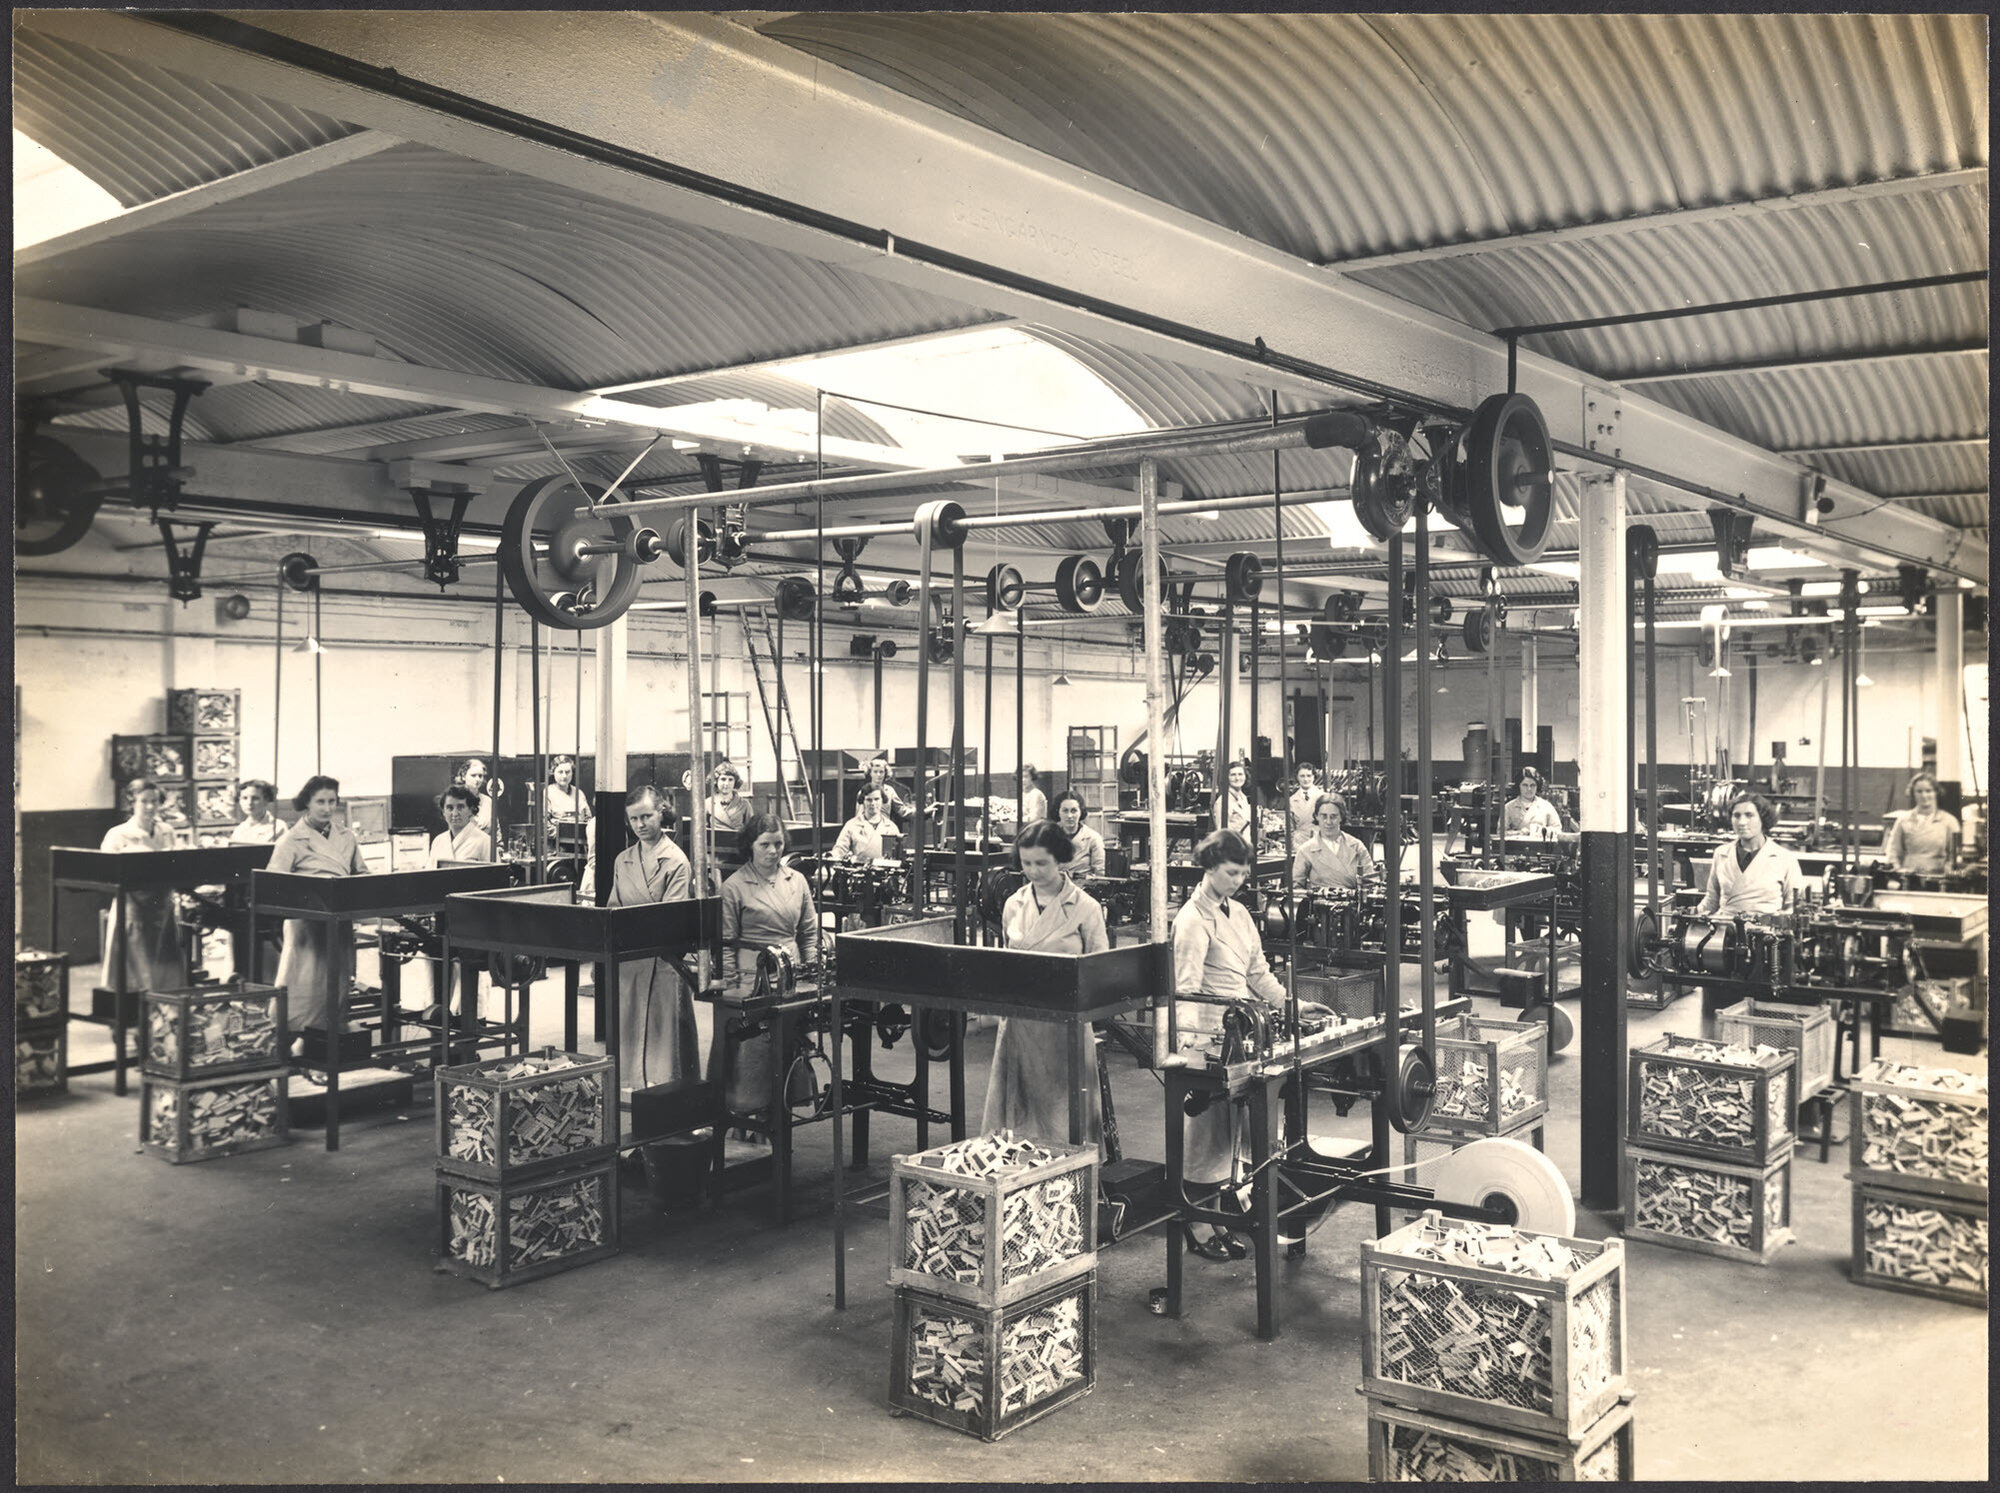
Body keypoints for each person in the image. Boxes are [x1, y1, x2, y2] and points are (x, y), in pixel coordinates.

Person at [1171, 829, 1287, 1260]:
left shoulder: (1238, 913)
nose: (1239, 880)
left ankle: (1220, 1219)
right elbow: (1183, 989)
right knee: (1206, 1138)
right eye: (1231, 872)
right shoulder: (1191, 920)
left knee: (1230, 1138)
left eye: (1242, 872)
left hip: (1241, 1035)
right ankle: (1197, 1226)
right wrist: (1191, 1053)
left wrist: (1290, 1003)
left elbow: (1256, 972)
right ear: (1209, 869)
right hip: (1208, 1039)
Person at [981, 820, 1110, 1149]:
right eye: (1026, 864)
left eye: (1042, 863)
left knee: (1064, 1117)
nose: (1033, 872)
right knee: (1017, 1117)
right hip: (1020, 1026)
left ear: (1061, 860)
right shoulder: (1014, 904)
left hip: (1065, 1028)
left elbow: (1101, 969)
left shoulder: (1085, 908)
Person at [715, 813, 822, 1114]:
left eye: (778, 844)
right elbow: (725, 941)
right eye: (765, 844)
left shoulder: (796, 880)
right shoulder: (734, 887)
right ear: (750, 845)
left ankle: (782, 1112)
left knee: (788, 1049)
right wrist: (732, 988)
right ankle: (747, 1116)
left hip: (792, 977)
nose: (773, 851)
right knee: (753, 1053)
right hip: (752, 980)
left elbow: (809, 932)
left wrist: (811, 976)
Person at [602, 784, 697, 1092]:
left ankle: (672, 1112)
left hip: (664, 965)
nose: (641, 825)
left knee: (665, 1048)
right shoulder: (623, 860)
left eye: (646, 816)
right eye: (634, 819)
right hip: (629, 965)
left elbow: (669, 921)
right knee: (629, 1042)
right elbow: (613, 910)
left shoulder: (676, 861)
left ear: (661, 813)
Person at [267, 775, 369, 1037]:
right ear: (307, 804)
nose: (326, 808)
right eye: (320, 802)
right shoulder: (291, 839)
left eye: (331, 801)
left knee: (336, 984)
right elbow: (273, 883)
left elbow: (361, 873)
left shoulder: (347, 836)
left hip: (340, 921)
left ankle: (325, 1045)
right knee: (302, 984)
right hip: (306, 925)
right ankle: (287, 1040)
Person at [1696, 792, 1802, 1033]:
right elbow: (1712, 898)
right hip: (1721, 943)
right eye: (1736, 816)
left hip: (1764, 945)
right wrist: (1694, 915)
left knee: (1758, 1013)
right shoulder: (1720, 853)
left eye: (1749, 815)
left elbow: (1794, 905)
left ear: (1763, 818)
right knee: (1718, 1009)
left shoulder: (1784, 858)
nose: (1742, 822)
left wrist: (1774, 927)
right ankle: (1715, 1057)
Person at [99, 779, 187, 996]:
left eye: (154, 801)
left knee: (166, 974)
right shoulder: (117, 834)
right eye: (143, 801)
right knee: (134, 975)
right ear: (132, 802)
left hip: (163, 910)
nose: (150, 807)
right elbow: (106, 874)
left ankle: (164, 1022)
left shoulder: (167, 831)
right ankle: (132, 1019)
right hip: (133, 912)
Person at [1885, 773, 1961, 874]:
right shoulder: (1902, 820)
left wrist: (1948, 871)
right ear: (1913, 794)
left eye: (1928, 791)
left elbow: (1955, 855)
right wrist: (1898, 871)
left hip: (1939, 880)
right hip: (1908, 879)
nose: (1924, 796)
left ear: (1936, 793)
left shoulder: (1949, 822)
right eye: (1919, 791)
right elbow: (1893, 852)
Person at [1292, 794, 1371, 891]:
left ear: (1341, 817)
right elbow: (1296, 889)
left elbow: (1370, 882)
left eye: (1333, 816)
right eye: (1324, 816)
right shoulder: (1306, 850)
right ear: (1316, 816)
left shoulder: (1357, 846)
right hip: (1319, 904)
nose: (1328, 822)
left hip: (1355, 904)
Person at [832, 784, 901, 862]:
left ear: (882, 800)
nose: (873, 803)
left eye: (877, 799)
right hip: (857, 871)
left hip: (884, 872)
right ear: (863, 801)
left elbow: (897, 856)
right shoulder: (851, 825)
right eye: (869, 800)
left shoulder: (891, 827)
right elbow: (839, 850)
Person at [427, 785, 493, 866]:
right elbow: (430, 875)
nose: (455, 814)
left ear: (471, 810)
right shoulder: (438, 841)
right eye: (450, 808)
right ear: (443, 812)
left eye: (460, 807)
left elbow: (497, 876)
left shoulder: (485, 842)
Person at [1052, 791, 1106, 879]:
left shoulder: (1093, 838)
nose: (1069, 816)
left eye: (1074, 811)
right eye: (1065, 811)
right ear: (1058, 812)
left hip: (1083, 888)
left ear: (1081, 812)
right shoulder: (1048, 835)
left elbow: (1101, 873)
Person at [1502, 768, 1563, 839]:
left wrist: (1543, 830)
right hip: (1516, 848)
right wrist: (1519, 833)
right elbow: (1500, 833)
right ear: (1519, 786)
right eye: (1525, 785)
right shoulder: (1509, 807)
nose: (1529, 789)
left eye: (1532, 785)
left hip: (1541, 848)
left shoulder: (1546, 806)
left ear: (1537, 786)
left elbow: (1558, 830)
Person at [228, 780, 285, 846]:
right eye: (245, 798)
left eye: (255, 798)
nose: (249, 803)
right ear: (239, 801)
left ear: (266, 800)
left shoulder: (278, 827)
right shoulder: (239, 830)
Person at [457, 757, 502, 837]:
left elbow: (496, 830)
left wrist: (498, 847)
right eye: (473, 775)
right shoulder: (456, 800)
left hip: (486, 847)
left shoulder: (488, 801)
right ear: (463, 776)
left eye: (480, 776)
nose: (477, 779)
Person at [863, 757, 910, 826]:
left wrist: (923, 811)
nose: (878, 775)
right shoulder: (864, 792)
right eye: (875, 772)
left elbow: (902, 810)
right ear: (870, 773)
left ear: (885, 773)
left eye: (881, 772)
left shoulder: (890, 791)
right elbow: (858, 818)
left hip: (885, 830)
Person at [1213, 759, 1254, 837]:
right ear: (1227, 778)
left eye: (1240, 774)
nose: (1237, 778)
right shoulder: (1223, 801)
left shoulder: (1243, 798)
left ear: (1245, 776)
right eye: (1233, 775)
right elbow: (1220, 832)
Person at [544, 756, 586, 825]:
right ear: (553, 772)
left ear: (572, 773)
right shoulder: (548, 792)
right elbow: (545, 823)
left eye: (567, 772)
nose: (564, 776)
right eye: (560, 772)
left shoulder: (578, 793)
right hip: (556, 834)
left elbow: (588, 819)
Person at [1287, 765, 1325, 835]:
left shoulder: (1323, 797)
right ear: (1297, 777)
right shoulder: (1292, 800)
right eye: (1302, 776)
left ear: (1314, 777)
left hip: (1318, 839)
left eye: (1309, 776)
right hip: (1299, 842)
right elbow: (1290, 827)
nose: (1306, 779)